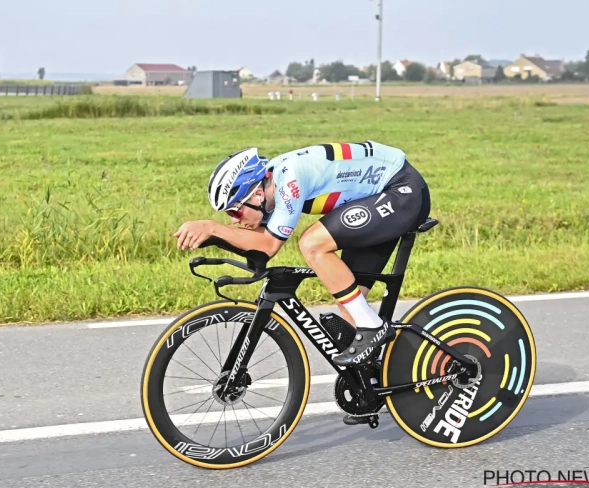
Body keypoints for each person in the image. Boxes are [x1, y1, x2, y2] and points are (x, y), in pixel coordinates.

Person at [174, 140, 431, 367]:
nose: (234, 220)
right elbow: (257, 251)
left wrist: (212, 228)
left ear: (257, 194)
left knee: (312, 244)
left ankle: (374, 327)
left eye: (235, 211)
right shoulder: (271, 187)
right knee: (351, 305)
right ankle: (374, 381)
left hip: (401, 190)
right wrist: (215, 238)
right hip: (372, 198)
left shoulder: (290, 181)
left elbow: (268, 247)